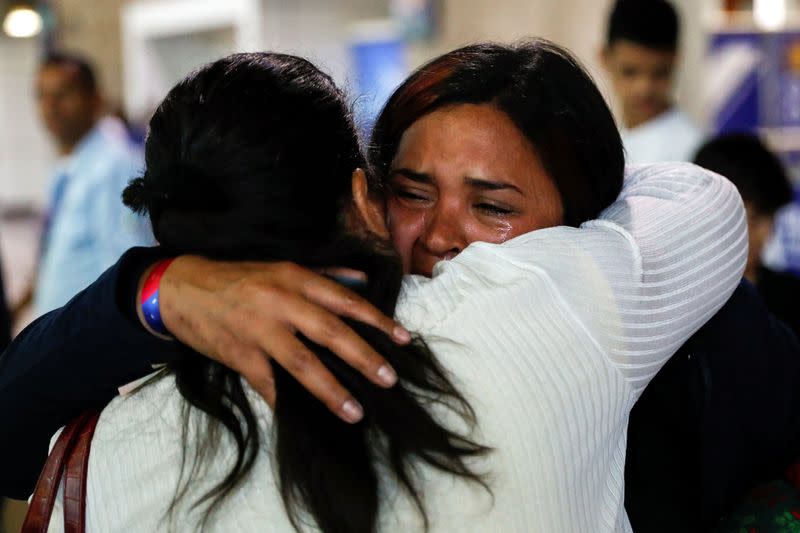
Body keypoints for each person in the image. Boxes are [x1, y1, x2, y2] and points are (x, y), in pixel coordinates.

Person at [3, 42, 747, 532]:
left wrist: (160, 290)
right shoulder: (538, 315)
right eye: (410, 192)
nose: (442, 237)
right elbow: (703, 203)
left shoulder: (108, 438)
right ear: (365, 195)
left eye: (492, 206)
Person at [20, 52, 153, 318]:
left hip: (95, 345)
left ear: (95, 99)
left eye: (62, 95)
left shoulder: (114, 166)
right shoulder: (69, 167)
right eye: (42, 96)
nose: (50, 107)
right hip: (63, 339)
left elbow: (125, 271)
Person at [694, 133, 800, 336]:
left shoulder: (792, 299)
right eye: (754, 219)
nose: (767, 234)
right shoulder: (676, 305)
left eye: (771, 218)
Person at [601, 0, 704, 164]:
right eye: (630, 72)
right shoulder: (602, 139)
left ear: (676, 61)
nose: (644, 88)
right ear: (605, 58)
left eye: (659, 73)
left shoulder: (691, 152)